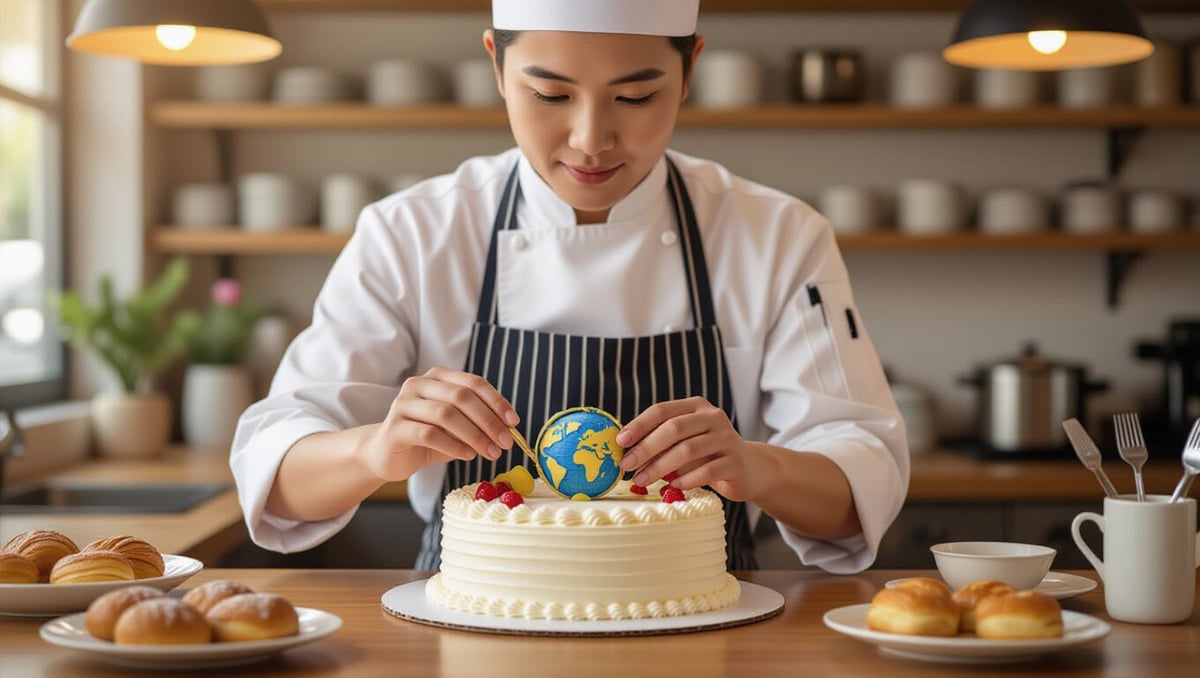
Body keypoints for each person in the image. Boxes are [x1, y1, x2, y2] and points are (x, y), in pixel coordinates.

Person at [231, 0, 909, 573]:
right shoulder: (412, 232)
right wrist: (374, 449)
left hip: (709, 633)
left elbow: (860, 484)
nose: (591, 139)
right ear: (496, 64)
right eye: (550, 94)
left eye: (636, 96)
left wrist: (758, 468)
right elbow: (280, 480)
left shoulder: (778, 235)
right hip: (468, 628)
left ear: (692, 67)